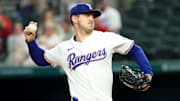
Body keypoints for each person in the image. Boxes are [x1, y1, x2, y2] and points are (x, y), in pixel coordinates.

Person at [24, 3, 153, 101]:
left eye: (92, 16)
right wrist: (31, 42)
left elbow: (135, 49)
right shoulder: (64, 48)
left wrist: (148, 73)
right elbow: (40, 59)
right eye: (86, 15)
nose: (91, 18)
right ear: (74, 19)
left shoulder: (106, 38)